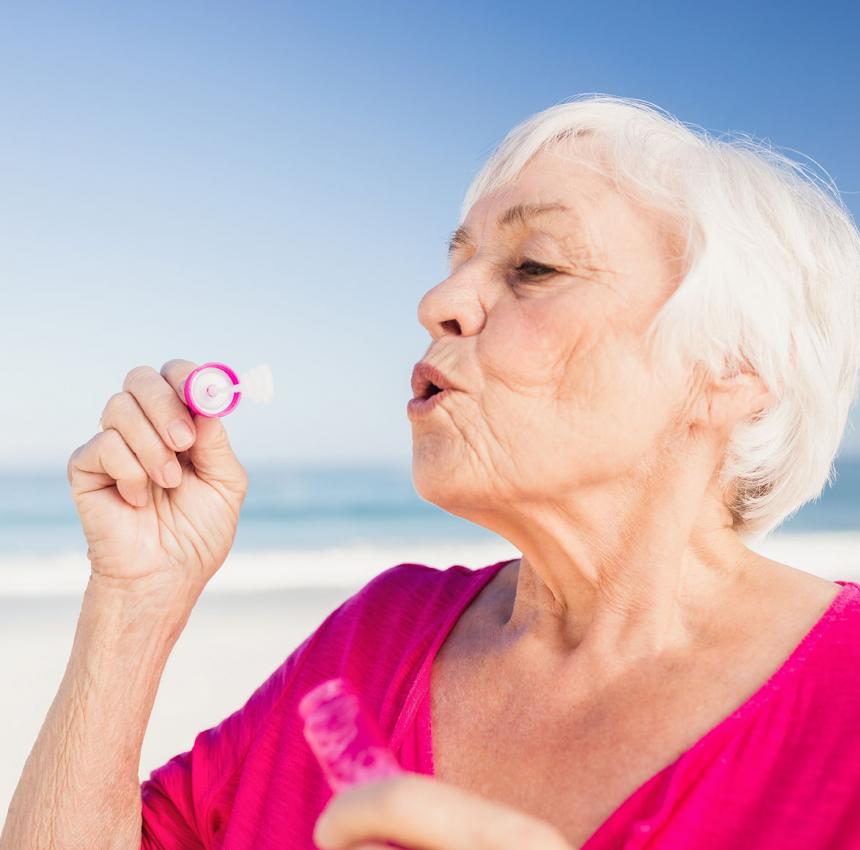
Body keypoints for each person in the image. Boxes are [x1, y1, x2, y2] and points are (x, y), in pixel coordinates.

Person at [3, 94, 860, 850]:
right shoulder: (371, 644)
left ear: (732, 370)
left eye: (535, 268)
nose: (437, 302)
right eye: (458, 261)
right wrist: (133, 603)